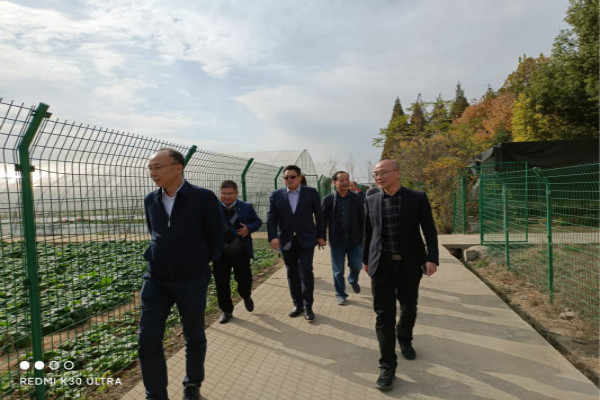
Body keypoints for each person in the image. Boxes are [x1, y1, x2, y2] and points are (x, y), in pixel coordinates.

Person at [139, 148, 223, 400]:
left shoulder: (202, 198)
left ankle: (192, 384)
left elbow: (216, 235)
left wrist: (199, 263)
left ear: (178, 168)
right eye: (150, 168)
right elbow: (154, 232)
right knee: (147, 339)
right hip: (156, 279)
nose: (153, 173)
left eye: (158, 167)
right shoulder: (150, 200)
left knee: (193, 334)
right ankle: (155, 394)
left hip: (191, 279)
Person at [362, 159, 439, 391]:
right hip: (381, 265)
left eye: (383, 173)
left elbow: (429, 230)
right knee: (383, 315)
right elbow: (368, 232)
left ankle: (404, 338)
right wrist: (365, 259)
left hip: (409, 264)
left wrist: (432, 258)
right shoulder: (371, 199)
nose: (379, 177)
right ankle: (387, 366)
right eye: (376, 174)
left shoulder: (417, 197)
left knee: (409, 307)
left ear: (397, 173)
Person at [267, 165, 326, 321]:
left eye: (292, 177)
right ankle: (297, 304)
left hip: (306, 239)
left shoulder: (311, 193)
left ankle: (308, 306)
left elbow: (319, 215)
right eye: (286, 177)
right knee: (291, 273)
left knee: (306, 270)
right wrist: (273, 237)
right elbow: (271, 218)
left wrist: (321, 235)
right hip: (286, 240)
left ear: (299, 177)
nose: (289, 180)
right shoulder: (276, 195)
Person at [213, 180, 262, 324]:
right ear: (219, 193)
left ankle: (246, 296)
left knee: (244, 279)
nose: (227, 196)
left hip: (241, 252)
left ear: (236, 193)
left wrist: (249, 228)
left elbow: (257, 221)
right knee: (221, 283)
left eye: (230, 193)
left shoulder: (246, 207)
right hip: (220, 254)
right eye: (224, 193)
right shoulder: (213, 207)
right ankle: (226, 310)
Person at [321, 171, 364, 305]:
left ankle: (353, 279)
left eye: (347, 179)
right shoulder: (328, 200)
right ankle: (340, 294)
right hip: (337, 241)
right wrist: (321, 237)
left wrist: (365, 237)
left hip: (355, 240)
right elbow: (322, 220)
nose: (345, 182)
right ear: (334, 182)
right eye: (341, 180)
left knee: (357, 266)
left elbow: (363, 219)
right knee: (338, 271)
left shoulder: (358, 199)